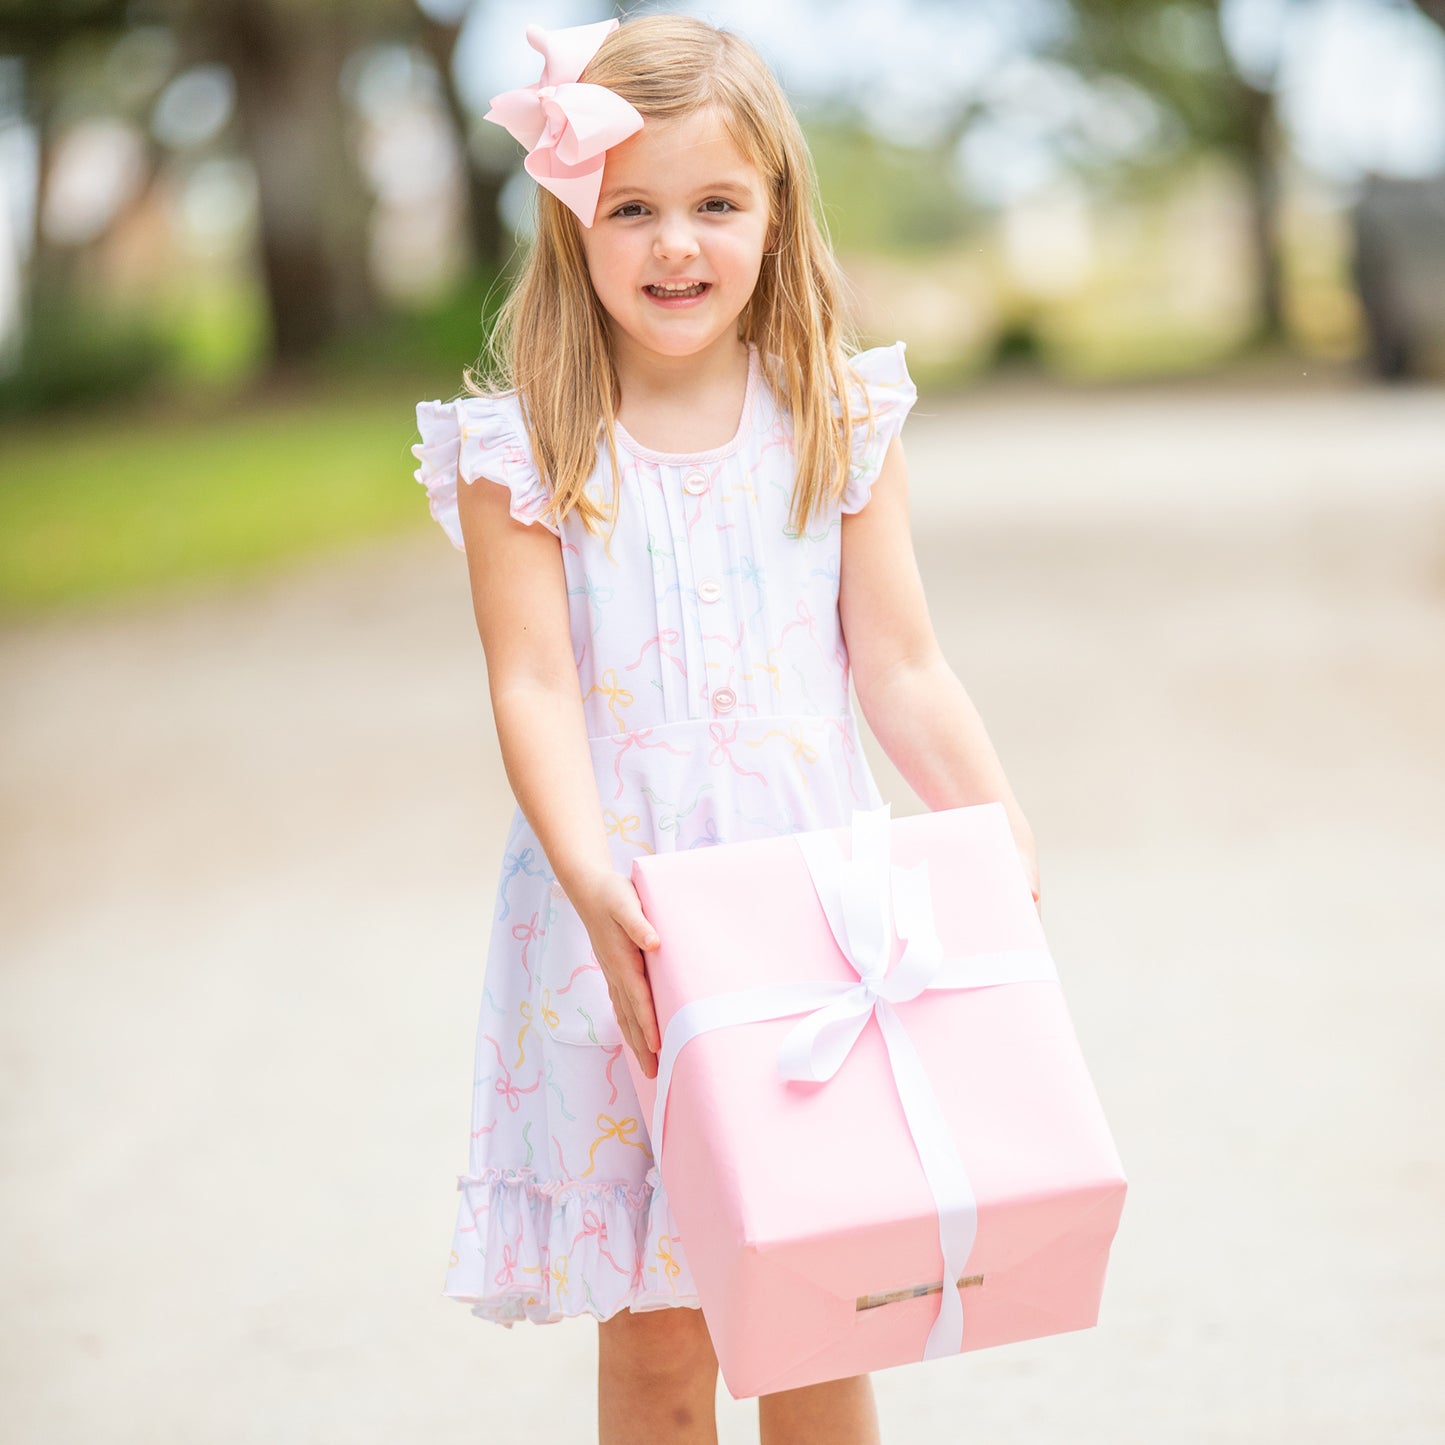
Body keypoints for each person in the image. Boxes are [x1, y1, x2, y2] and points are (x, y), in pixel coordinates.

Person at [410, 15, 1040, 1444]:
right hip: (629, 929)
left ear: (775, 213)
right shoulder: (530, 448)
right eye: (629, 207)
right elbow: (534, 688)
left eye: (714, 203)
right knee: (655, 1340)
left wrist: (987, 823)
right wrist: (588, 877)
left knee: (819, 1318)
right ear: (573, 222)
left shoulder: (831, 416)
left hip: (807, 924)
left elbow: (899, 665)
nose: (673, 243)